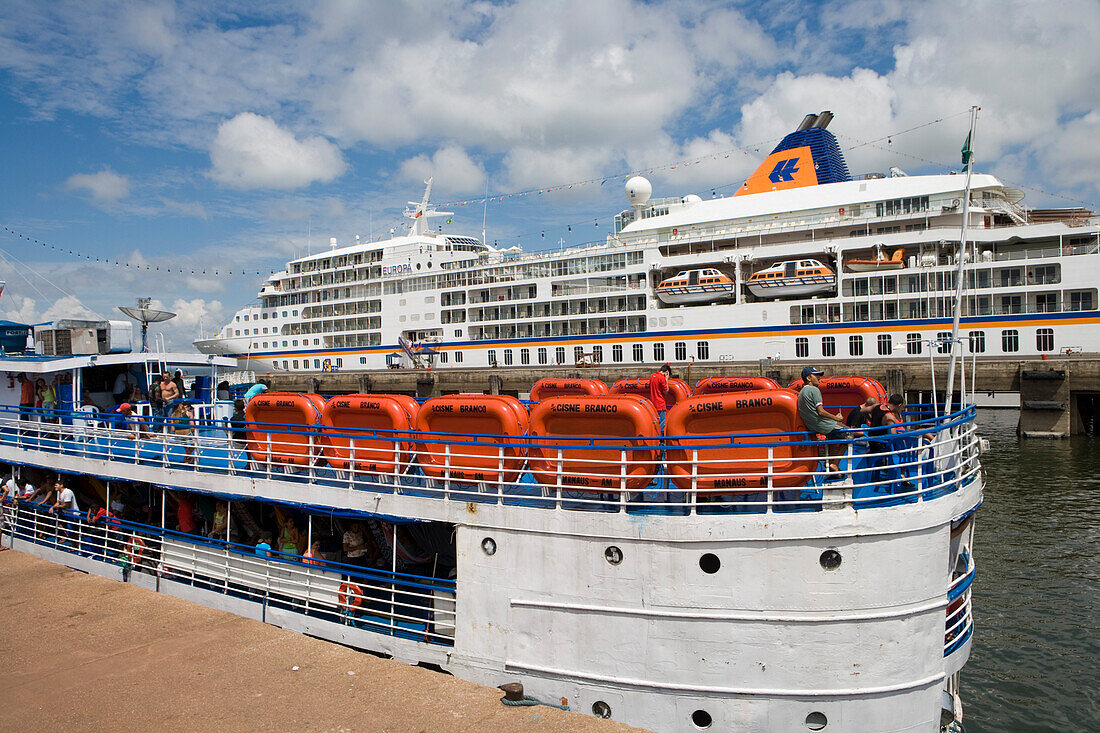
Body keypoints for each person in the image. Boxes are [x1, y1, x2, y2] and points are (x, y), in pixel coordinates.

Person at [796, 366, 846, 474]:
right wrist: (836, 418)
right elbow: (821, 412)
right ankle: (835, 463)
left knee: (833, 436)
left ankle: (829, 463)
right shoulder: (814, 390)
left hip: (812, 425)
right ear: (809, 378)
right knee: (849, 435)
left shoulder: (802, 392)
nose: (820, 378)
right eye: (816, 376)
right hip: (822, 424)